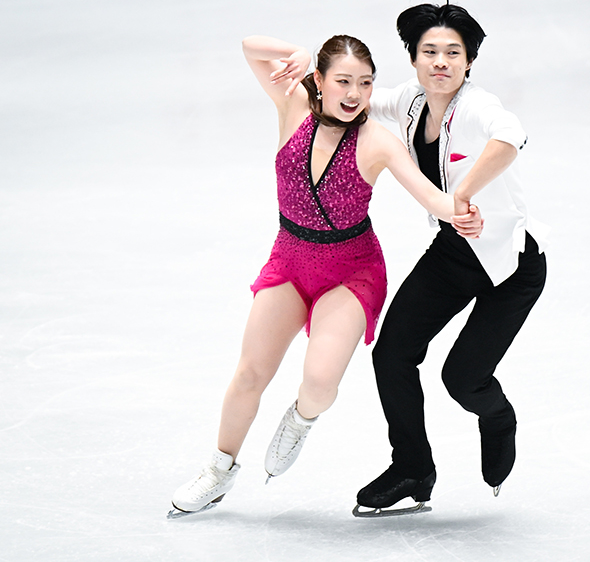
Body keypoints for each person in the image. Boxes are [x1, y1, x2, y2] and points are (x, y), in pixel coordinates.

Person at [168, 33, 483, 517]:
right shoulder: (292, 104)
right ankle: (218, 469)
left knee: (318, 382)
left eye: (365, 82)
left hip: (351, 271)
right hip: (290, 260)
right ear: (319, 80)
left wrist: (459, 211)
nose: (355, 93)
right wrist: (294, 50)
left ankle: (300, 419)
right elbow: (251, 47)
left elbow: (430, 195)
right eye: (343, 81)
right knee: (251, 372)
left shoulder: (376, 139)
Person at [354, 0, 548, 516]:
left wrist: (459, 196)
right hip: (455, 253)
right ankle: (413, 469)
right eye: (429, 52)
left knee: (462, 381)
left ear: (469, 60)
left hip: (511, 265)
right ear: (414, 57)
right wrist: (305, 80)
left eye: (453, 53)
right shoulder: (410, 101)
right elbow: (352, 97)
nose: (441, 62)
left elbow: (511, 139)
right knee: (391, 353)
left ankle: (498, 414)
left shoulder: (480, 106)